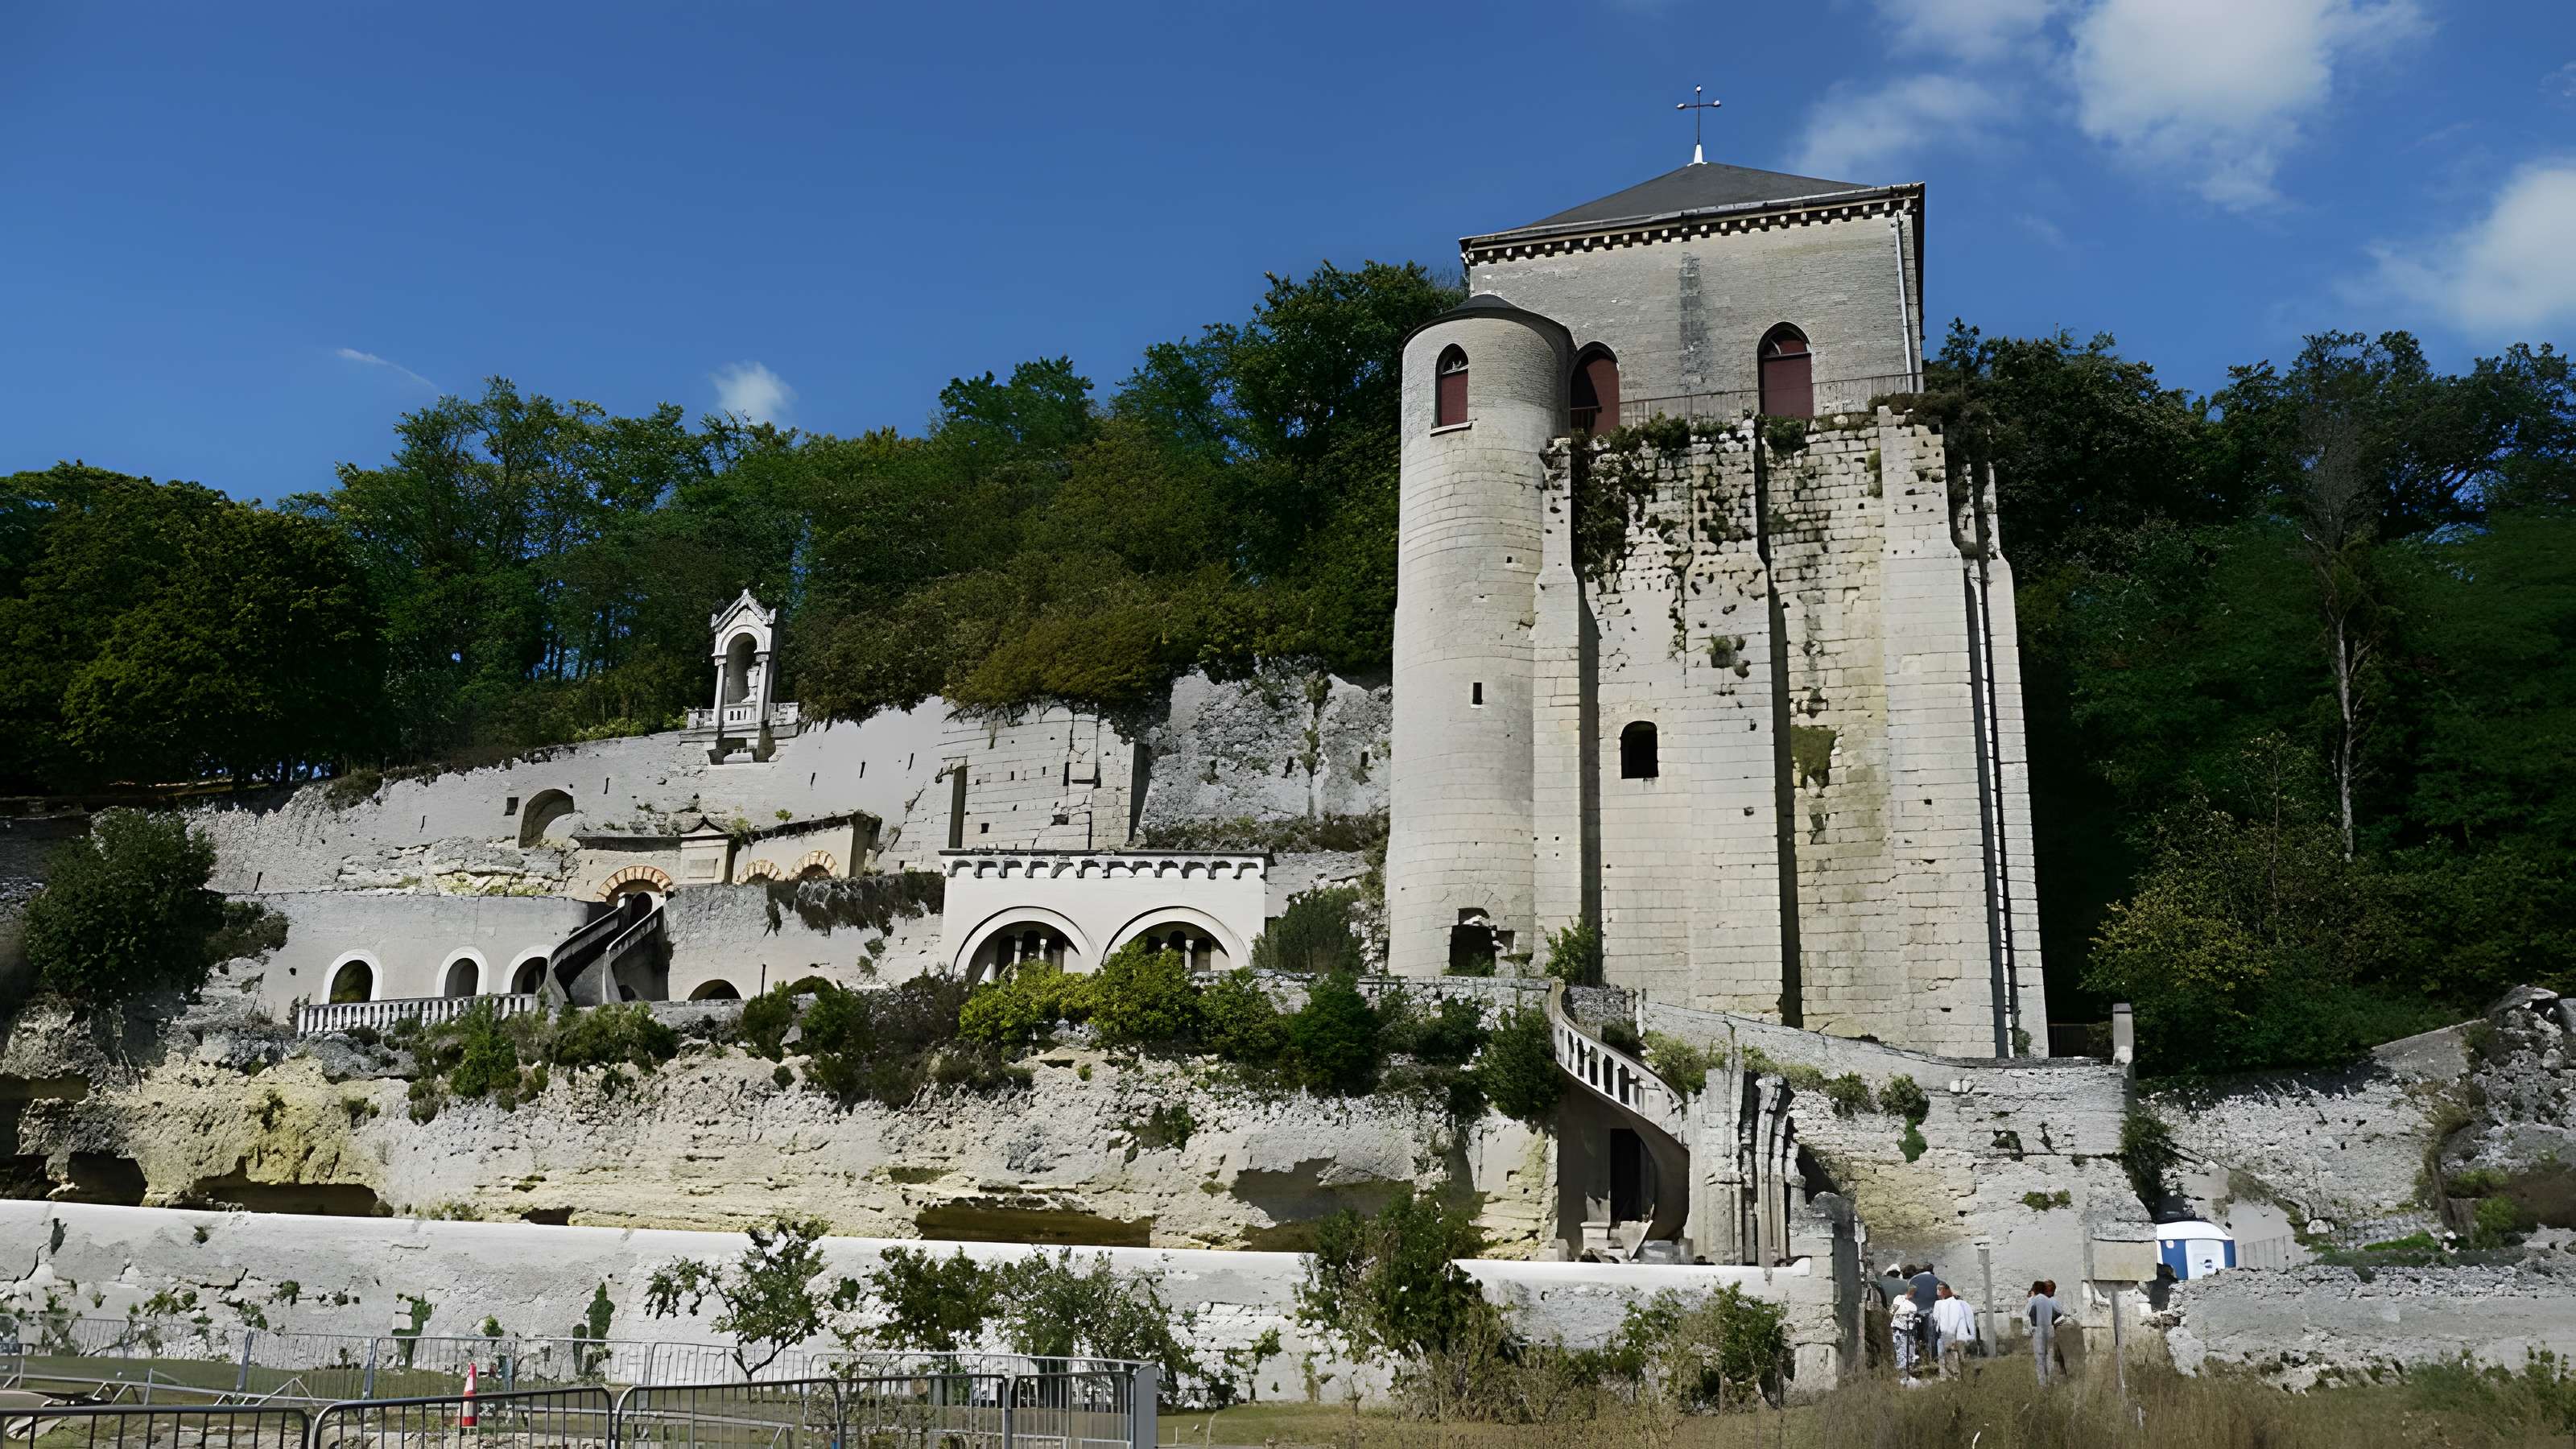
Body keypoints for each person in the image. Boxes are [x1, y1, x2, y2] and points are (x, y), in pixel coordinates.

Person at [1931, 1282, 1976, 1374]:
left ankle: (1955, 1377)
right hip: (1955, 1335)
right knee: (1956, 1358)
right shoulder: (1961, 1304)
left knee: (1952, 1358)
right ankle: (1956, 1376)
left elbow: (1953, 1322)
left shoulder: (1953, 1304)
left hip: (1952, 1335)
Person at [2025, 1280, 2063, 1384]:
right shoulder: (2050, 1300)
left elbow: (2029, 1313)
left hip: (2039, 1330)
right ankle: (2052, 1380)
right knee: (2050, 1356)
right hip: (2050, 1329)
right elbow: (2059, 1313)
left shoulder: (2036, 1300)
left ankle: (2043, 1384)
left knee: (2040, 1358)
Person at [1889, 1289, 1921, 1378]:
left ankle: (1906, 1373)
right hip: (1898, 1329)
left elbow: (1914, 1319)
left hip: (1907, 1331)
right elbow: (1892, 1311)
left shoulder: (1914, 1305)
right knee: (1900, 1351)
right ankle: (1902, 1374)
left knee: (1907, 1352)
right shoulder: (1899, 1298)